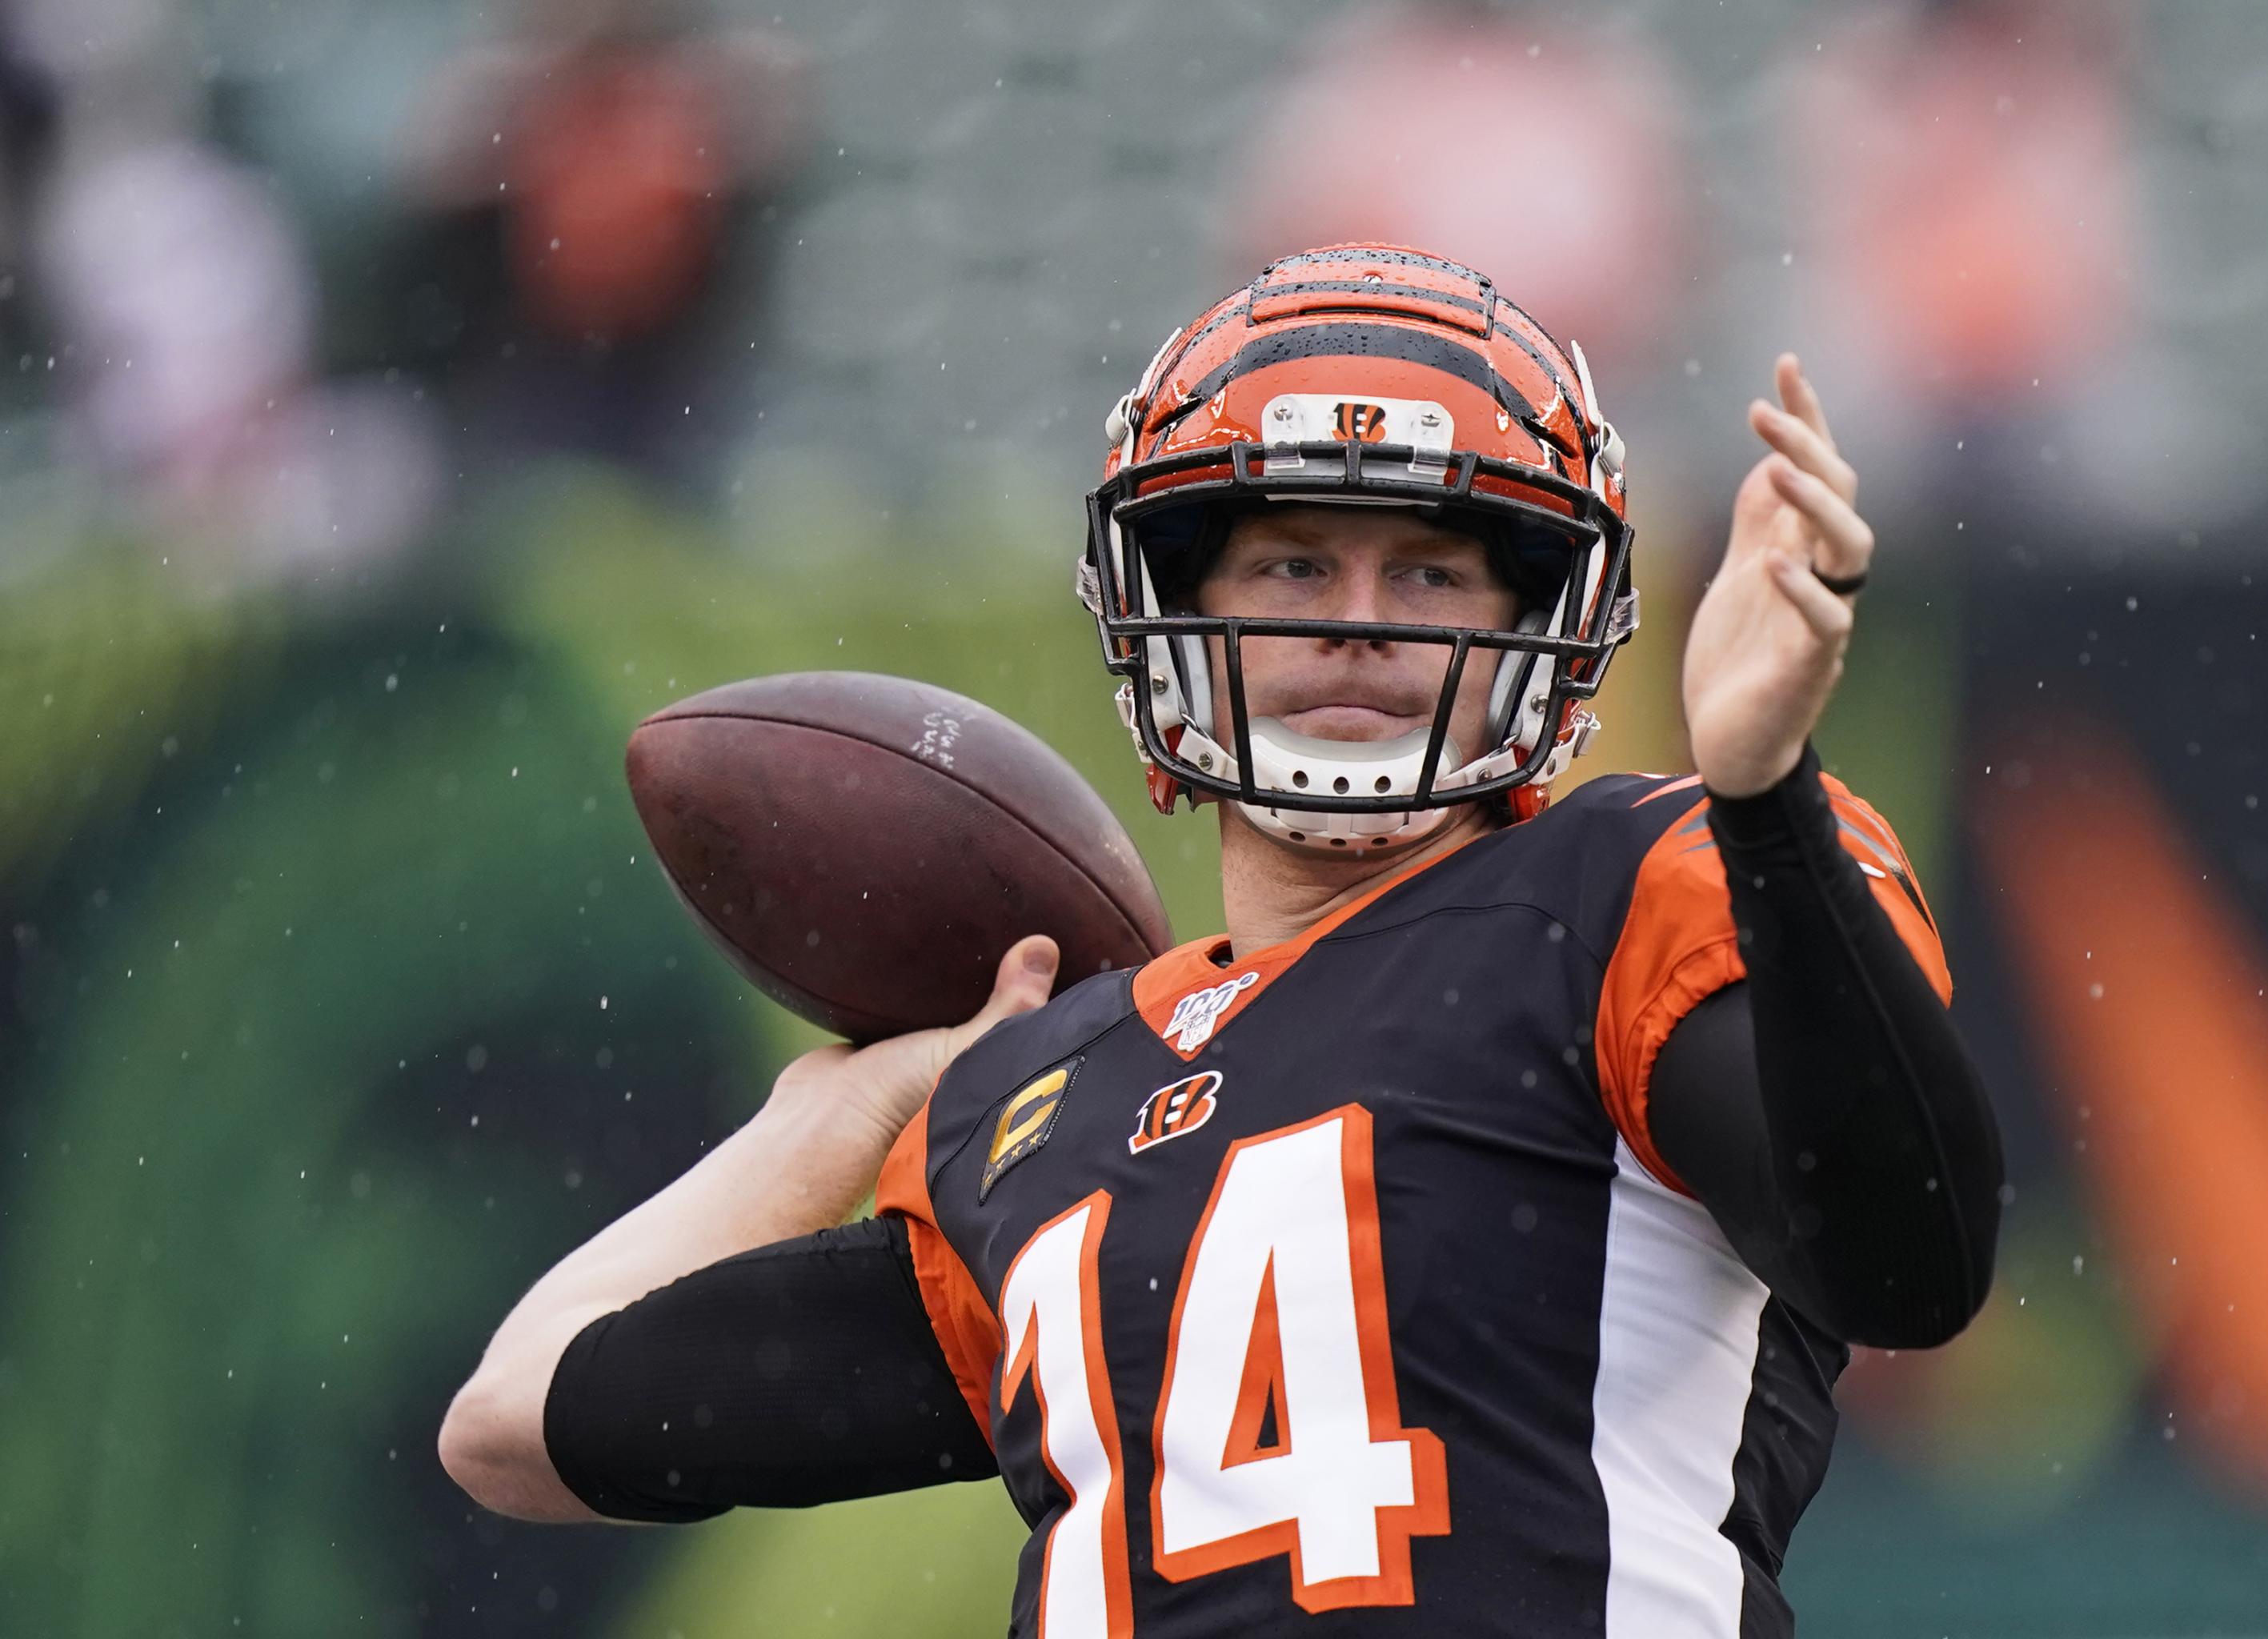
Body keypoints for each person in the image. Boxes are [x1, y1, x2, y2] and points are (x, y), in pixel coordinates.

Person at [439, 242, 2002, 1637]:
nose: (1361, 620)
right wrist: (832, 1114)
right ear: (1169, 613)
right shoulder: (1038, 1106)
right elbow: (516, 1419)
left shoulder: (1619, 892)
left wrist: (1767, 799)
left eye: (1433, 573)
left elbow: (1907, 1254)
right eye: (1295, 561)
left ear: (1542, 635)